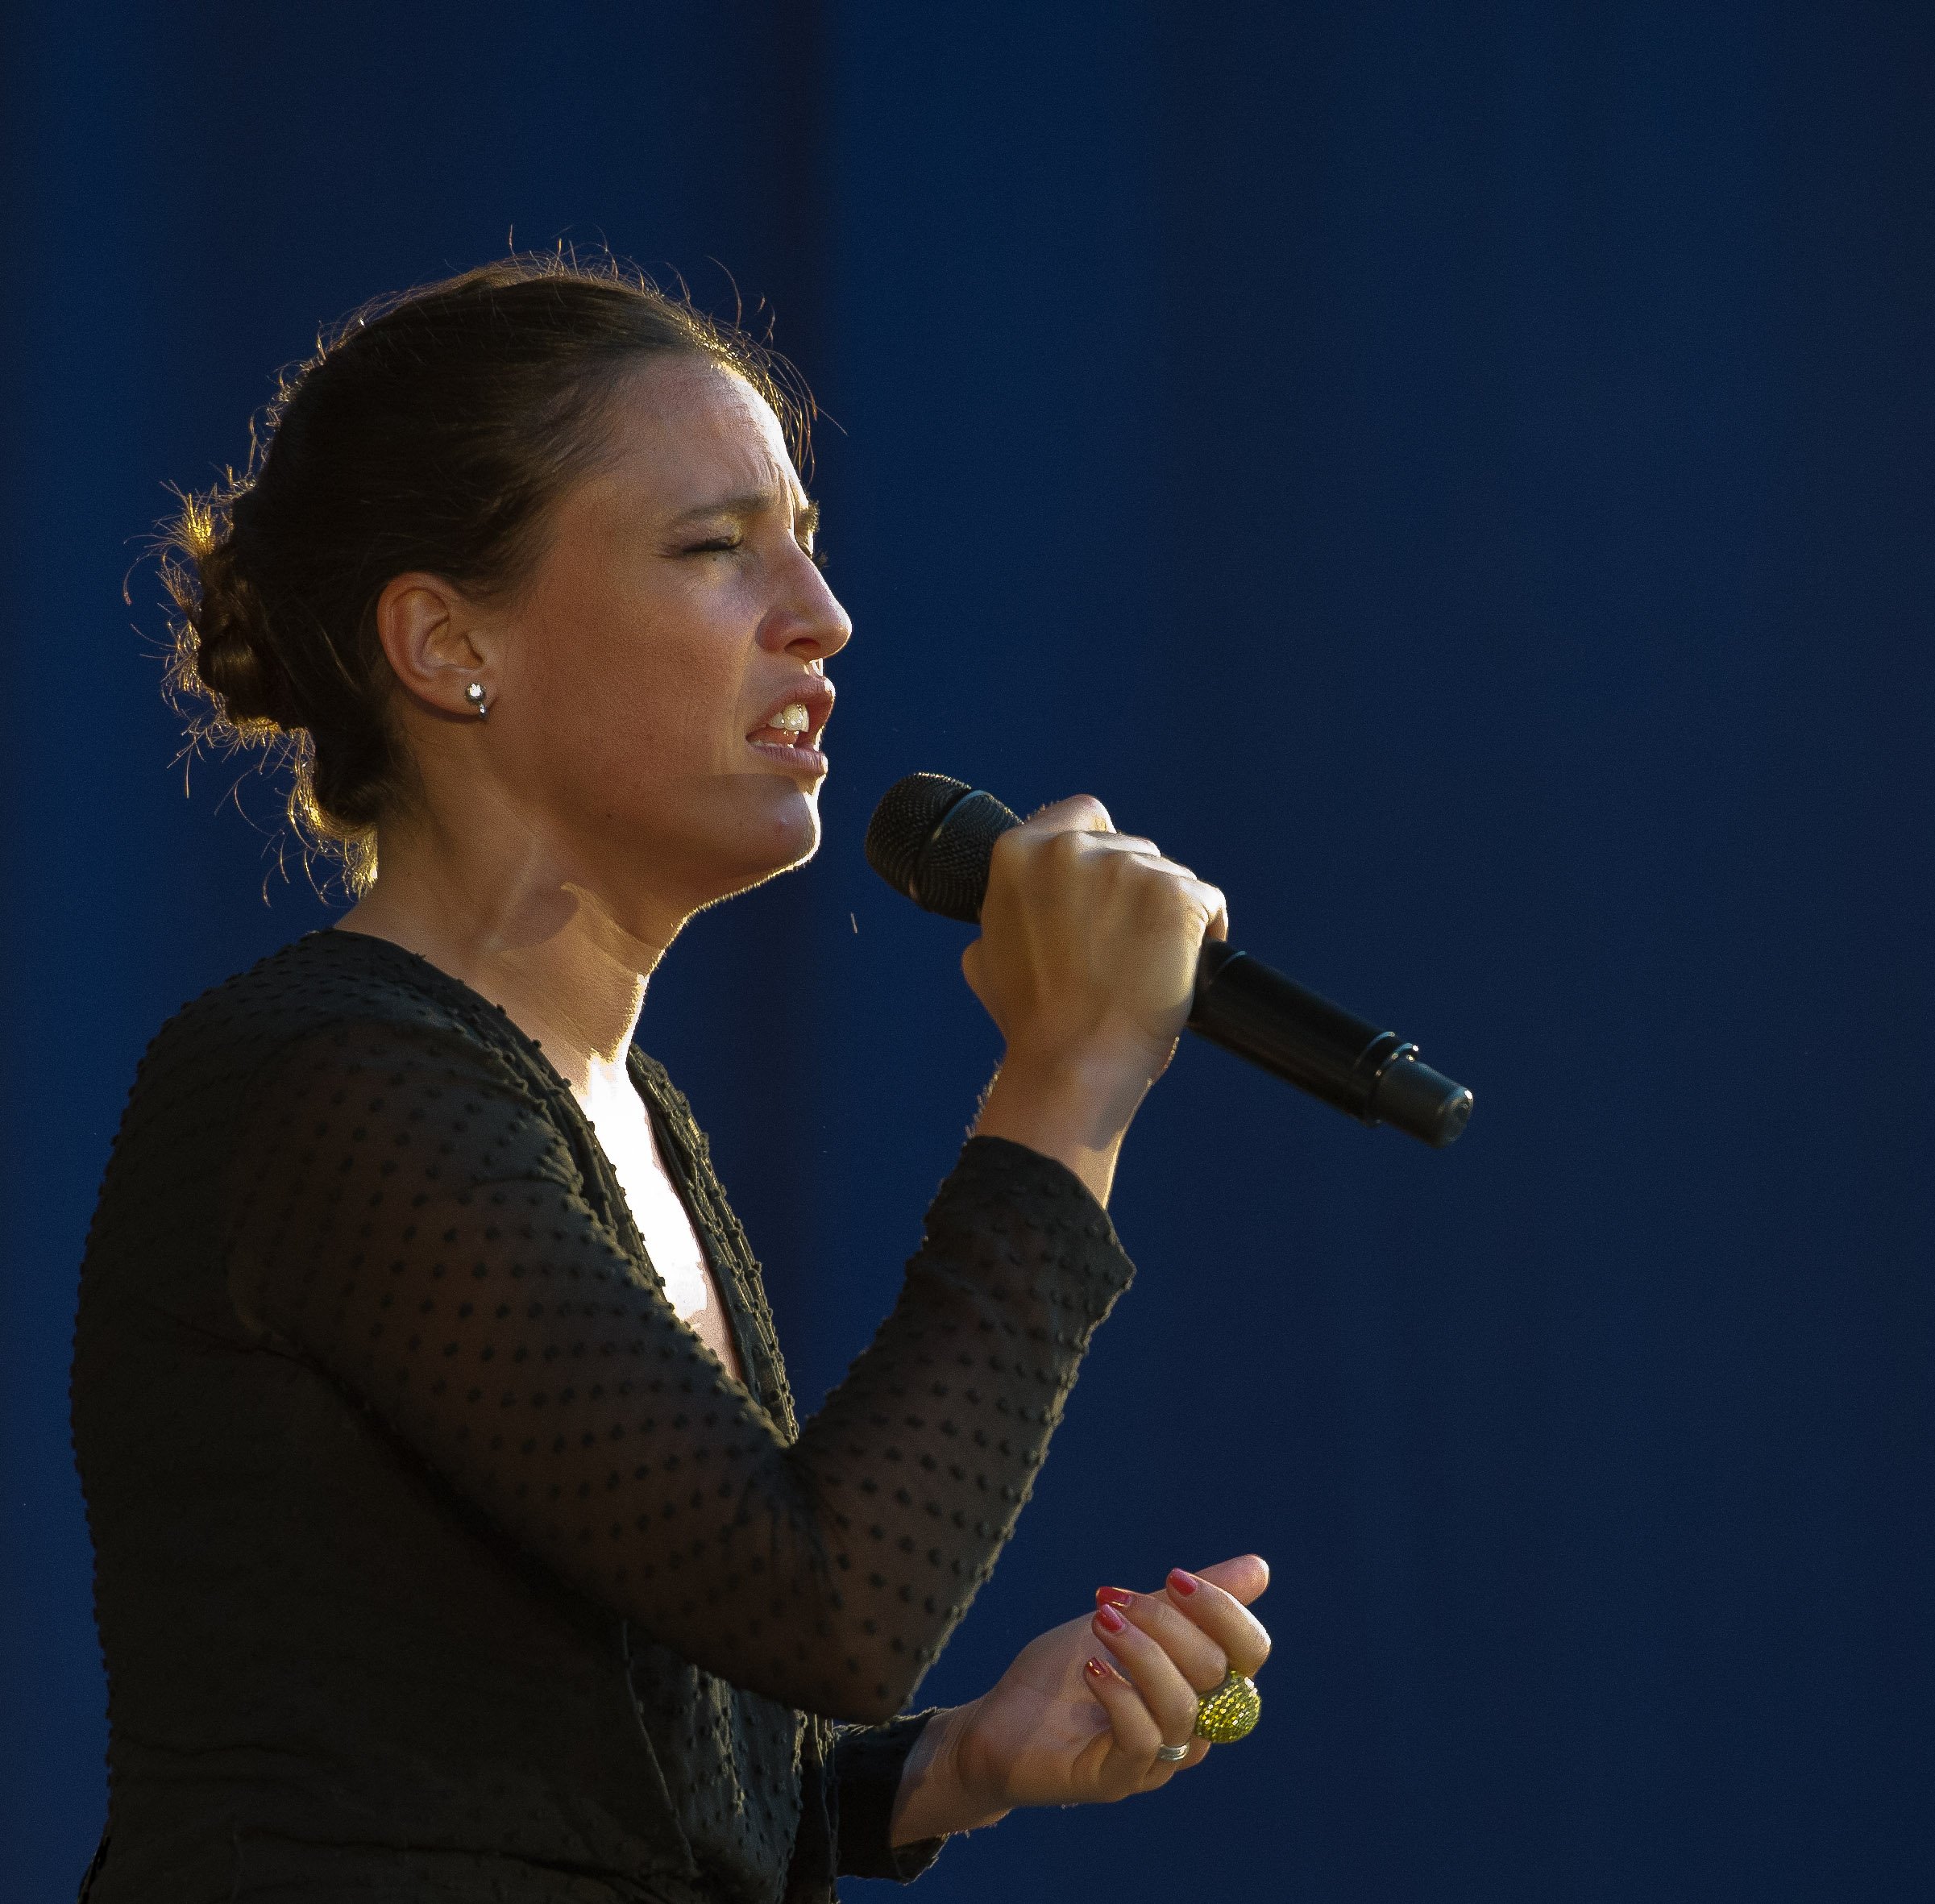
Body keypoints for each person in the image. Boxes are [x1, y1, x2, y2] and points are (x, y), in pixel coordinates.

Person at [72, 256, 1270, 1904]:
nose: (820, 616)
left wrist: (949, 1764)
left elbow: (577, 1763)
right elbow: (827, 1606)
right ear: (444, 641)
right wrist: (1063, 1086)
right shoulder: (326, 1083)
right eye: (716, 548)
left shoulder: (621, 1116)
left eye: (804, 541)